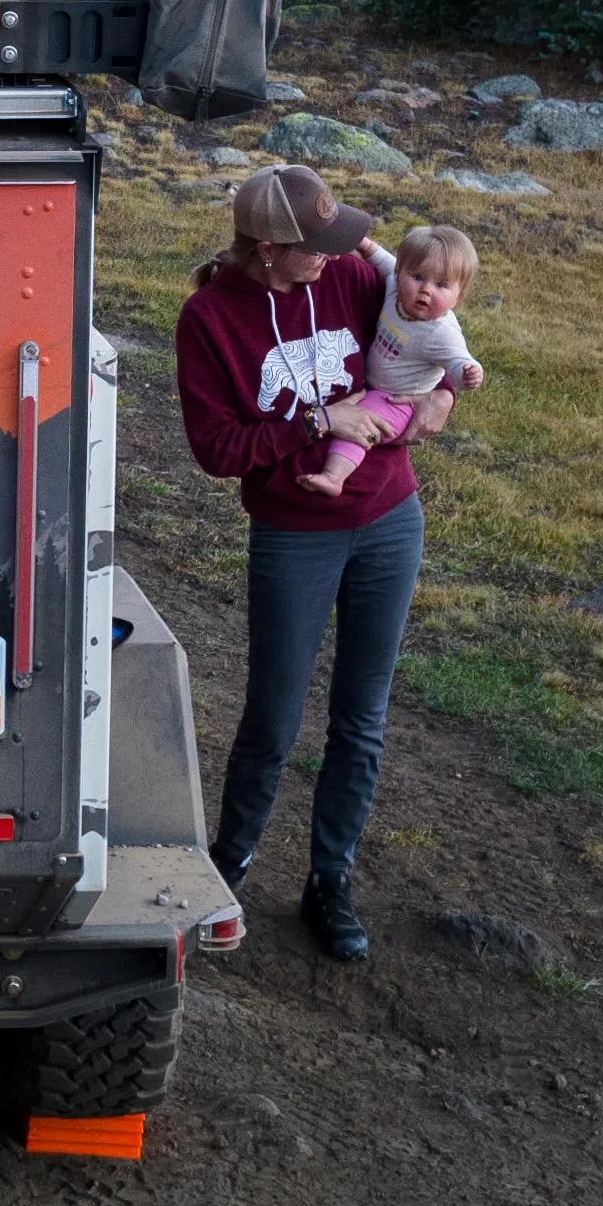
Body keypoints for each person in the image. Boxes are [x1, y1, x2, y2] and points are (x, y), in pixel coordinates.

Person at [174, 164, 455, 961]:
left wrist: (441, 397)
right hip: (294, 532)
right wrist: (314, 422)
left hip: (388, 519)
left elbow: (424, 335)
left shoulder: (353, 279)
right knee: (272, 716)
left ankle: (329, 878)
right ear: (268, 248)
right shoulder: (209, 318)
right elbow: (216, 448)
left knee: (360, 719)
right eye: (313, 247)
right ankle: (225, 865)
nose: (331, 257)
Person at [298, 225, 485, 499]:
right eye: (418, 277)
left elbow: (459, 361)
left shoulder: (441, 333)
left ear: (459, 296)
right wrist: (364, 245)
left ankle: (333, 476)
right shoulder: (394, 291)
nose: (426, 290)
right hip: (374, 384)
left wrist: (469, 373)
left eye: (442, 285)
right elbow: (385, 261)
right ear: (401, 275)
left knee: (361, 424)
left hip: (399, 400)